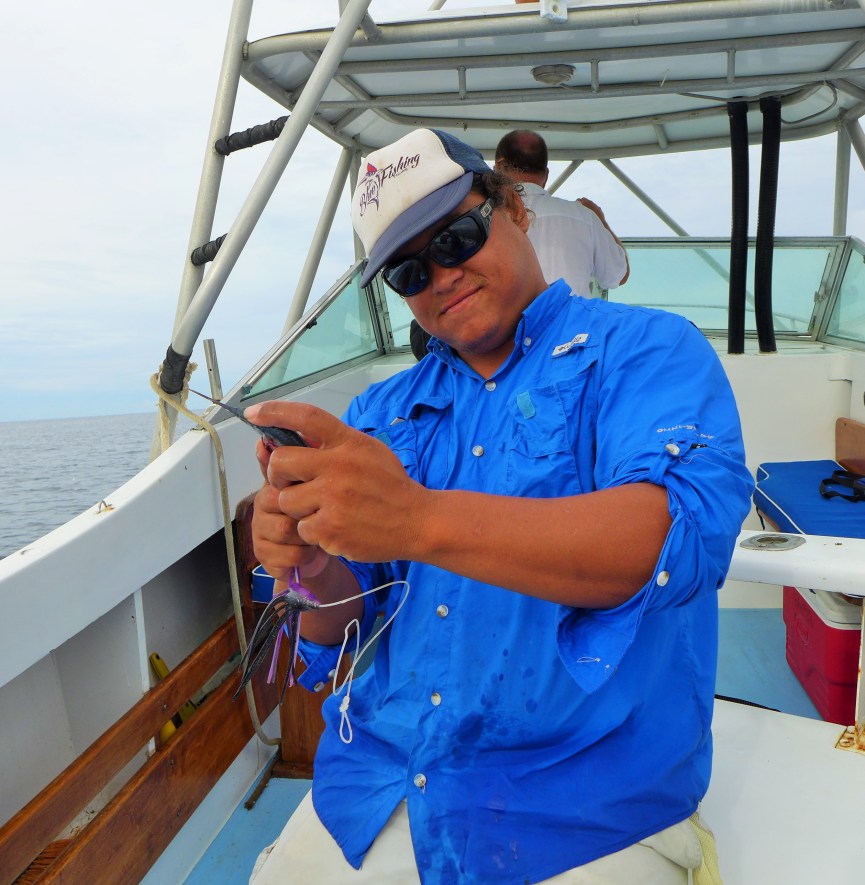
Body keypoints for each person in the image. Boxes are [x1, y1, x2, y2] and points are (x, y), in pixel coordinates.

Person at [247, 127, 753, 884]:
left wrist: (416, 519)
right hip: (378, 786)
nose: (440, 276)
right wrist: (312, 566)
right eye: (409, 271)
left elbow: (668, 544)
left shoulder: (649, 350)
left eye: (455, 238)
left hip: (584, 813)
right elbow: (340, 626)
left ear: (514, 208)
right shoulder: (378, 411)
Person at [494, 129, 629, 297]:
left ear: (499, 167)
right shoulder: (584, 216)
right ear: (546, 175)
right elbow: (618, 276)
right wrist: (600, 220)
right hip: (571, 314)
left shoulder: (486, 217)